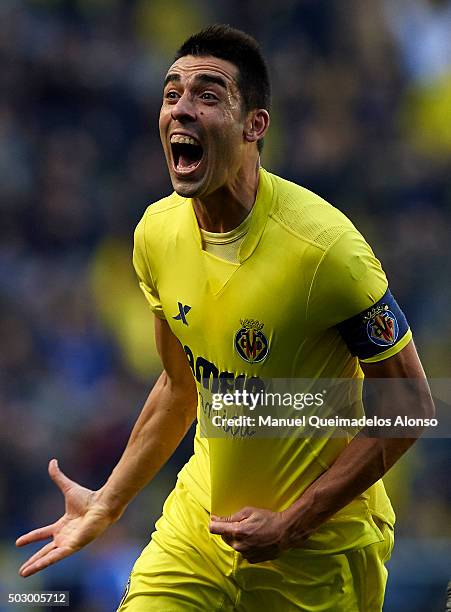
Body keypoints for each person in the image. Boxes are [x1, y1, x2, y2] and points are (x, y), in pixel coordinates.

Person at [16, 25, 434, 611]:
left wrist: (292, 522)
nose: (181, 109)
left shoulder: (326, 251)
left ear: (253, 126)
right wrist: (109, 501)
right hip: (199, 534)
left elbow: (412, 403)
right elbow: (178, 385)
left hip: (317, 554)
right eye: (171, 94)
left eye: (207, 95)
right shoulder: (156, 235)